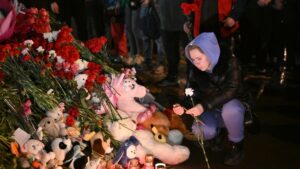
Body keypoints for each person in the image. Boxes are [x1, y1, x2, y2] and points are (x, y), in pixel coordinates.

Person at [173, 32, 251, 166]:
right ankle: (217, 135)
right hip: (211, 107)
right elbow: (191, 91)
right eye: (193, 59)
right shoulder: (196, 69)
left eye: (199, 58)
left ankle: (236, 145)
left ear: (209, 52)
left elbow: (231, 90)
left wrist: (202, 106)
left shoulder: (230, 61)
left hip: (232, 105)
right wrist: (182, 106)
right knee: (201, 130)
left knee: (231, 110)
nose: (196, 63)